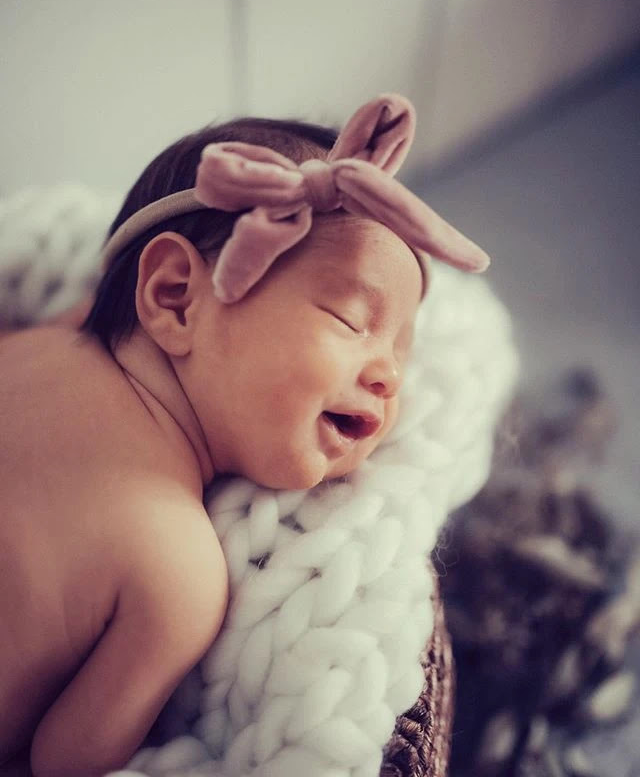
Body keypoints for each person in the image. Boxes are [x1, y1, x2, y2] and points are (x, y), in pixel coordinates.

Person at [0, 95, 489, 776]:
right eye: (351, 321)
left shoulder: (32, 347)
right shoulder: (175, 571)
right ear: (175, 296)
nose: (388, 377)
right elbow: (65, 762)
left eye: (400, 354)